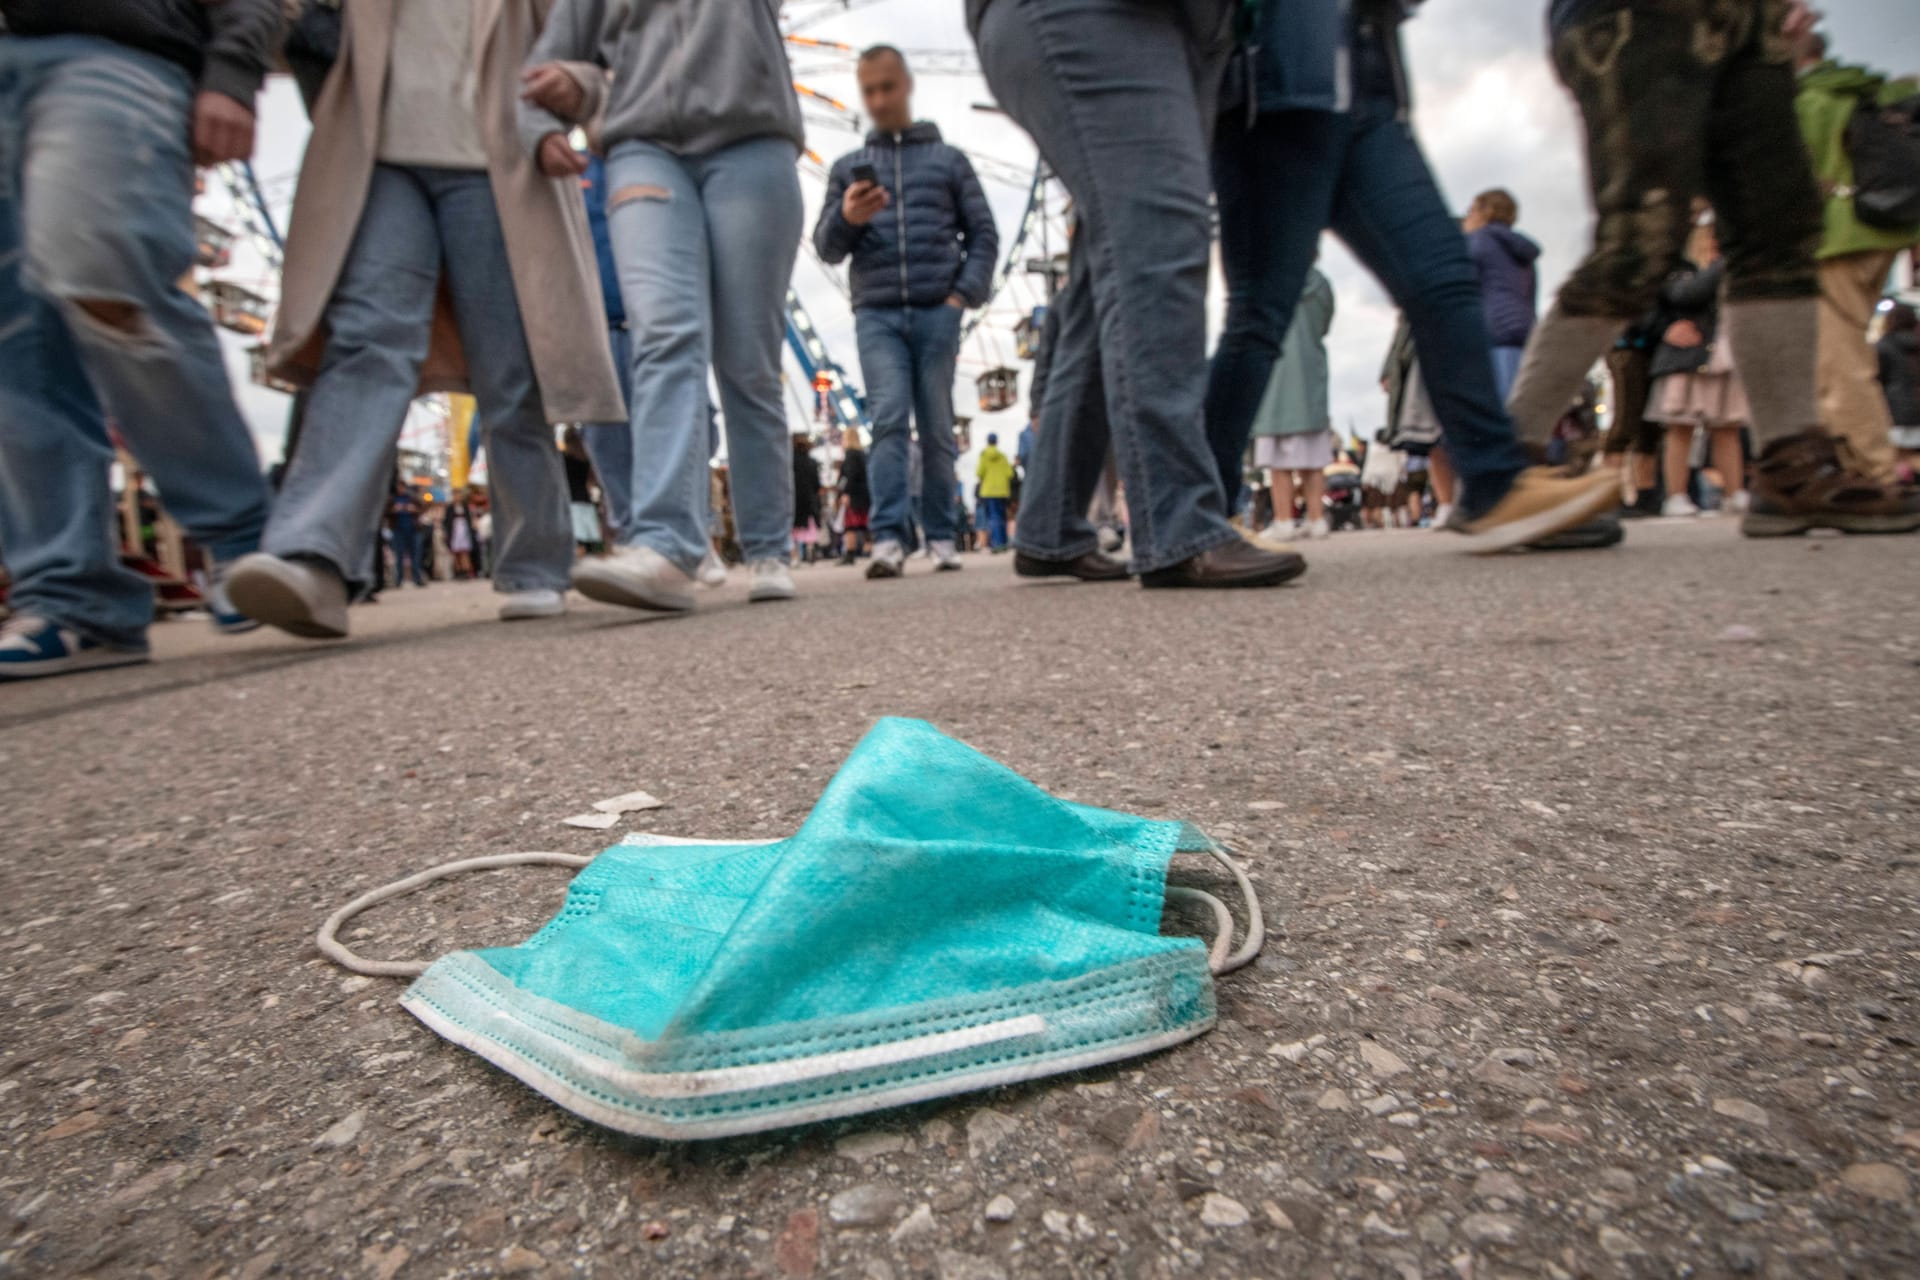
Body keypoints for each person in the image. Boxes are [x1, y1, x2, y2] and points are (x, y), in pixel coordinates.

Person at [228, 0, 623, 639]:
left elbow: (596, 48)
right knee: (365, 343)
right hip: (375, 152)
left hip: (498, 156)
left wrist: (572, 91)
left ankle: (534, 559)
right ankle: (313, 552)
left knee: (513, 368)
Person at [1204, 0, 1621, 556]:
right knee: (1261, 311)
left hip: (1369, 86)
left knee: (1443, 277)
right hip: (1276, 86)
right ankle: (1197, 506)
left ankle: (1494, 484)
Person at [1504, 0, 1920, 537]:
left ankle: (1790, 464)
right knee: (1641, 235)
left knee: (1780, 231)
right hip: (1639, 15)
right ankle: (1506, 464)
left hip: (1749, 21)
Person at [968, 0, 1305, 589]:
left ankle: (1051, 523)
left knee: (1110, 272)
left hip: (1181, 27)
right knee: (1159, 231)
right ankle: (1178, 518)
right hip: (1104, 14)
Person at [0, 0, 279, 680]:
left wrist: (234, 69)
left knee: (109, 281)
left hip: (117, 45)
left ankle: (245, 537)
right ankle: (71, 595)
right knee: (13, 339)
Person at [520, 0, 801, 611]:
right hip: (640, 143)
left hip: (751, 138)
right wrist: (542, 124)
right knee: (664, 334)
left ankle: (768, 544)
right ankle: (667, 542)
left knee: (748, 359)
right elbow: (546, 62)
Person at [813, 45, 995, 580]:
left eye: (887, 87)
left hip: (939, 310)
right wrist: (847, 217)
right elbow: (826, 246)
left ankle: (940, 532)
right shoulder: (848, 170)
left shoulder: (949, 161)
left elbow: (983, 233)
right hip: (878, 313)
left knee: (937, 427)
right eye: (869, 91)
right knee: (888, 418)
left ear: (906, 85)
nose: (879, 99)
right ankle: (888, 536)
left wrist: (963, 295)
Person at [1791, 23, 1920, 484]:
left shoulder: (1809, 101)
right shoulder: (1859, 90)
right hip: (1880, 231)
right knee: (1850, 353)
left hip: (1836, 237)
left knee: (1839, 359)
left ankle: (1872, 470)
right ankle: (1858, 461)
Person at [1644, 214, 1752, 517]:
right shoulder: (1678, 271)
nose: (1716, 244)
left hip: (1723, 355)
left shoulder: (1734, 272)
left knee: (1726, 427)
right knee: (1680, 427)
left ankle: (1735, 492)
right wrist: (1663, 329)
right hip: (1685, 355)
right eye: (1710, 238)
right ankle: (1675, 495)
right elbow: (1683, 296)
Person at [1250, 268, 1338, 541]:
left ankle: (1284, 520)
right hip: (1310, 367)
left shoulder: (1268, 277)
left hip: (1276, 368)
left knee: (1278, 459)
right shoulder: (1321, 284)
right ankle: (1316, 518)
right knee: (1313, 456)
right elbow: (1324, 323)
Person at [1463, 189, 1542, 400]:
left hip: (1494, 333)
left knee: (1498, 413)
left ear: (1484, 212)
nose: (1466, 219)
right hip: (1527, 334)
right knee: (1521, 408)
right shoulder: (1521, 251)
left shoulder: (1479, 240)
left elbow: (1462, 289)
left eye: (1471, 211)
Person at [1879, 304, 1920, 476]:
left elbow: (1879, 378)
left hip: (1896, 411)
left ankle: (1905, 492)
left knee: (1900, 458)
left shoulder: (1884, 345)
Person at [976, 434, 1016, 552]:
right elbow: (1010, 474)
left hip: (988, 491)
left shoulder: (984, 455)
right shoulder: (1003, 456)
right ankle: (1003, 542)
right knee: (1002, 516)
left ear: (987, 442)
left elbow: (979, 472)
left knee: (993, 517)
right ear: (996, 442)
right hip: (1002, 491)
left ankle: (996, 543)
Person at [838, 435, 872, 564]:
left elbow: (850, 474)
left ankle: (850, 554)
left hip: (854, 494)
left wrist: (846, 492)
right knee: (865, 523)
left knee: (850, 525)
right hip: (865, 494)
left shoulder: (850, 454)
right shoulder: (862, 454)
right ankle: (869, 548)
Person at [388, 482, 427, 586]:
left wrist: (414, 509)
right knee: (399, 556)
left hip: (413, 530)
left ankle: (417, 578)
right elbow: (386, 512)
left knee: (416, 556)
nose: (401, 489)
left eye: (402, 487)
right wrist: (393, 510)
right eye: (399, 487)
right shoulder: (393, 499)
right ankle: (398, 580)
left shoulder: (412, 498)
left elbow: (423, 508)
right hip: (398, 531)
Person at [792, 434, 823, 565]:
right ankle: (810, 547)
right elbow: (816, 483)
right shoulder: (812, 461)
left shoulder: (789, 460)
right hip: (809, 498)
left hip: (793, 497)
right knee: (809, 525)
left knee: (792, 528)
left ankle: (795, 557)